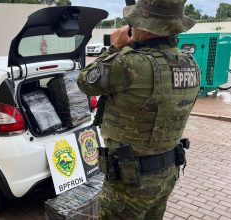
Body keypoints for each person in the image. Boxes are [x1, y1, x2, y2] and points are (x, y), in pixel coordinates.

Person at [77, 0, 200, 219]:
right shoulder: (190, 64)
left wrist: (115, 46)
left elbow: (85, 82)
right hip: (166, 174)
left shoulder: (130, 64)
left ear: (144, 25)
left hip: (130, 182)